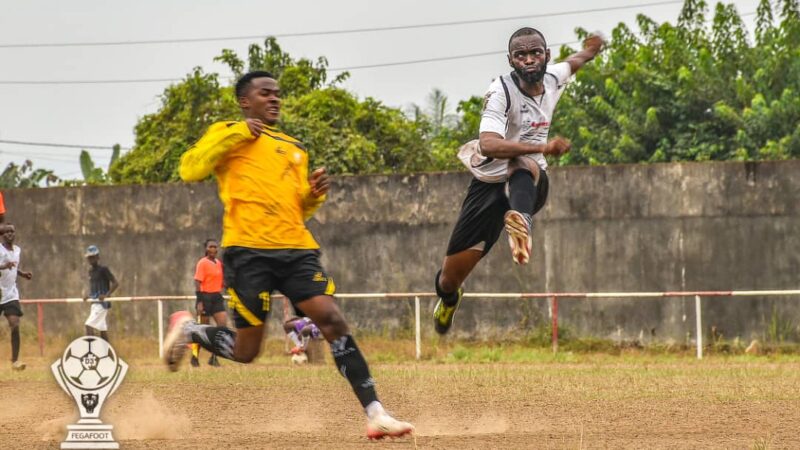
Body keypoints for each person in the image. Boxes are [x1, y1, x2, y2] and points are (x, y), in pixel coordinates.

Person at [164, 70, 414, 440]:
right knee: (248, 351)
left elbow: (299, 210)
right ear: (245, 101)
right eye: (265, 93)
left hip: (297, 250)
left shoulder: (293, 148)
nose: (275, 99)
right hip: (247, 252)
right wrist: (238, 133)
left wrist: (313, 193)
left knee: (332, 320)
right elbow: (190, 169)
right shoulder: (227, 132)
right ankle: (192, 331)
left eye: (277, 94)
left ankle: (375, 412)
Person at [433, 28, 605, 334]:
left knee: (520, 164)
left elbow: (575, 61)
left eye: (535, 53)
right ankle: (449, 299)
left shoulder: (553, 78)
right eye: (520, 55)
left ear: (546, 56)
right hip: (487, 185)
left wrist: (592, 49)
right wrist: (543, 146)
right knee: (447, 279)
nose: (529, 60)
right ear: (511, 60)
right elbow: (487, 144)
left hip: (529, 182)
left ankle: (521, 221)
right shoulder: (500, 91)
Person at [0, 224, 32, 370]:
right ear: (2, 235)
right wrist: (3, 266)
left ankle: (15, 361)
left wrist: (22, 273)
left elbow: (14, 266)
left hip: (10, 294)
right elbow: (6, 265)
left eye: (12, 231)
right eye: (7, 232)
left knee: (15, 324)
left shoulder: (17, 250)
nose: (10, 234)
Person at [190, 238, 226, 368]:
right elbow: (197, 281)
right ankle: (194, 357)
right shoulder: (202, 263)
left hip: (216, 297)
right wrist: (199, 301)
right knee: (202, 330)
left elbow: (223, 282)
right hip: (204, 297)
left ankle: (214, 357)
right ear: (206, 249)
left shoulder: (219, 264)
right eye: (211, 246)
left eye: (215, 247)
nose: (213, 249)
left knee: (222, 327)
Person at [82, 245, 118, 341]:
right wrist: (88, 296)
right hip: (94, 303)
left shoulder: (103, 269)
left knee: (88, 325)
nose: (91, 259)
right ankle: (109, 354)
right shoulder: (90, 271)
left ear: (97, 257)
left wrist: (106, 295)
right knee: (102, 330)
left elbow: (115, 283)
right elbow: (94, 288)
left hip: (102, 304)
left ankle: (91, 351)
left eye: (93, 257)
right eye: (89, 258)